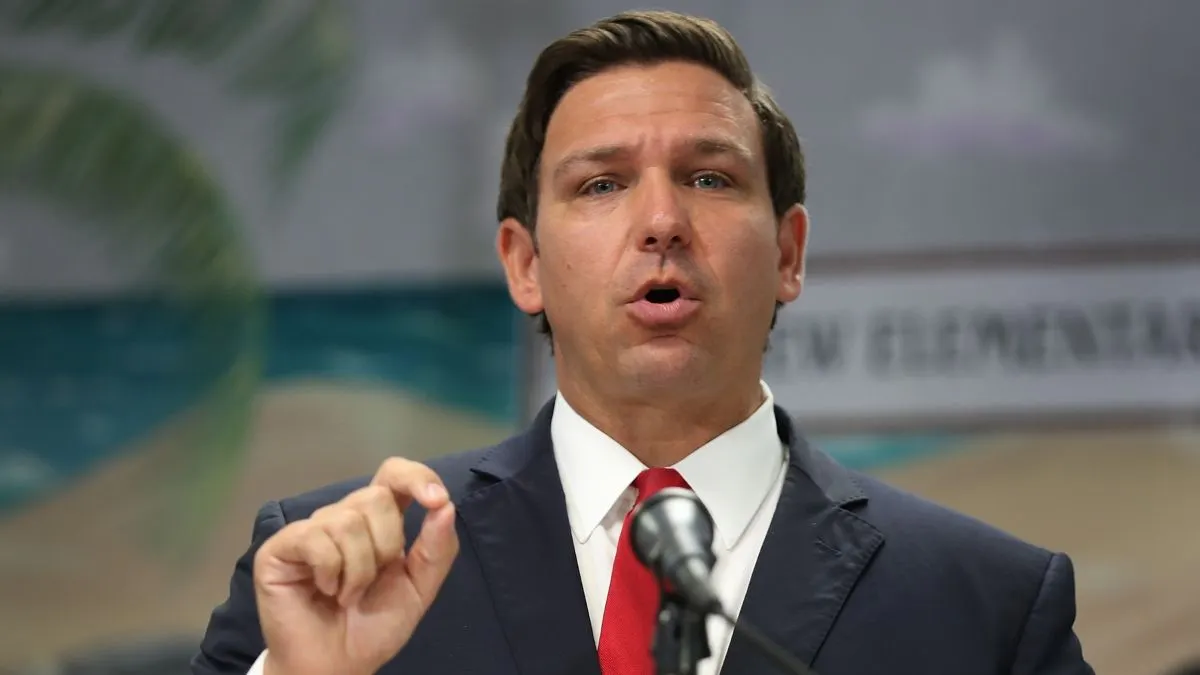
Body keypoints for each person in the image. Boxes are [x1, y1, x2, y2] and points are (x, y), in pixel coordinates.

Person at [192, 10, 1094, 675]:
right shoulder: (334, 579)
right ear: (525, 265)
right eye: (602, 185)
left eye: (709, 177)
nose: (662, 220)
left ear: (787, 254)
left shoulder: (987, 607)